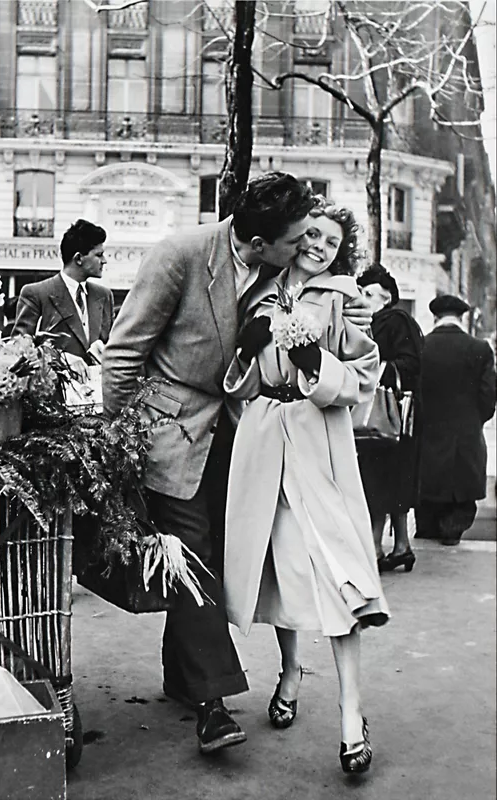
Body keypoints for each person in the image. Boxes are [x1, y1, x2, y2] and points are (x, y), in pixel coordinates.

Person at [102, 173, 373, 755]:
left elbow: (343, 353)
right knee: (193, 555)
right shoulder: (179, 255)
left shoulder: (293, 281)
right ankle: (213, 705)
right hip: (170, 431)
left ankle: (183, 677)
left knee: (213, 560)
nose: (307, 245)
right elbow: (123, 354)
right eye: (297, 237)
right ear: (260, 243)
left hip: (244, 439)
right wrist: (120, 443)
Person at [223, 201, 389, 774]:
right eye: (312, 234)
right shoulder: (258, 293)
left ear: (341, 252)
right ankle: (290, 671)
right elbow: (239, 387)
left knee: (338, 576)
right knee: (281, 568)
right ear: (294, 236)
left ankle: (351, 714)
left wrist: (315, 364)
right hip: (266, 443)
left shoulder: (344, 300)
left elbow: (366, 376)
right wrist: (247, 352)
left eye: (331, 241)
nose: (318, 246)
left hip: (318, 449)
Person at [355, 265, 424, 572]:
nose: (364, 299)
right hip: (390, 421)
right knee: (392, 483)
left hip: (387, 415)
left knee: (379, 482)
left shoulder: (393, 320)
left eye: (370, 294)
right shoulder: (382, 321)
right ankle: (400, 547)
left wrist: (375, 369)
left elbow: (408, 363)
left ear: (386, 298)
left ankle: (376, 548)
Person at [415, 294, 496, 545]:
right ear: (461, 317)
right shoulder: (480, 349)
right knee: (461, 501)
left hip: (427, 439)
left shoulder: (420, 347)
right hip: (466, 439)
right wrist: (472, 421)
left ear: (435, 317)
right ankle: (452, 530)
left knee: (427, 507)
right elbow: (488, 399)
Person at [12, 219, 114, 363]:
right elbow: (19, 351)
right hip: (53, 384)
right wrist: (62, 359)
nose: (104, 261)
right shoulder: (36, 294)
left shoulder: (104, 296)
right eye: (98, 255)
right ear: (78, 258)